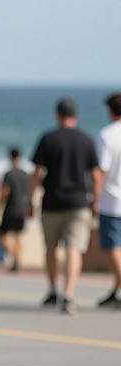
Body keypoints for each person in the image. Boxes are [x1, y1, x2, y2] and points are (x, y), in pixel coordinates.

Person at [28, 98, 101, 315]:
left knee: (51, 247)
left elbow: (36, 173)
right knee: (74, 249)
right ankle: (68, 294)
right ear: (75, 115)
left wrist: (29, 200)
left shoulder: (49, 138)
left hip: (52, 201)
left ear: (57, 115)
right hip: (79, 203)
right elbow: (96, 175)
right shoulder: (86, 140)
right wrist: (95, 200)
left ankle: (52, 290)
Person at [93, 92, 121, 309]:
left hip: (112, 200)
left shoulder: (107, 135)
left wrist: (95, 198)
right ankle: (116, 289)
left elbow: (100, 171)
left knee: (112, 246)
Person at [0, 147, 28, 272]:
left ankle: (14, 257)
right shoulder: (25, 174)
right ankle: (17, 259)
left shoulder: (9, 174)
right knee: (17, 236)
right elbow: (29, 192)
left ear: (10, 157)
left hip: (11, 208)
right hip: (22, 208)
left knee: (2, 235)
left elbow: (5, 192)